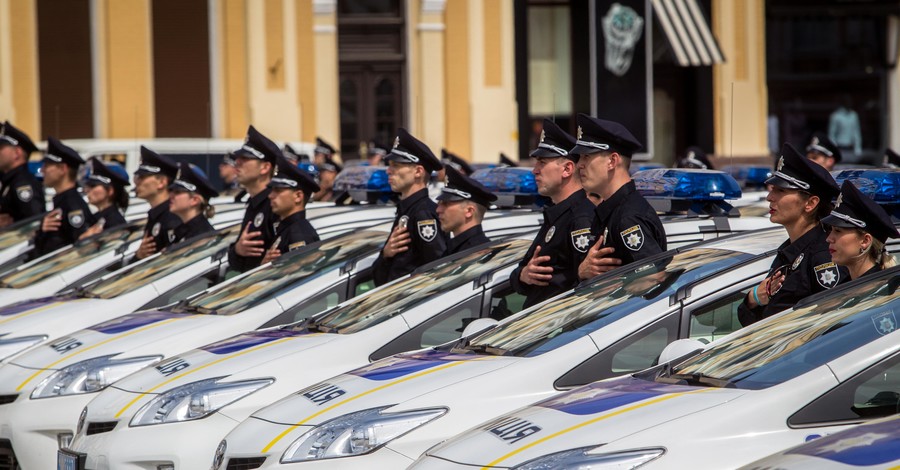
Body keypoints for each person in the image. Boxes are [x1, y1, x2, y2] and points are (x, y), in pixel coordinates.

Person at [737, 143, 843, 327]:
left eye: (781, 190)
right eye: (772, 189)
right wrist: (753, 298)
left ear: (810, 203)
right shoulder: (790, 250)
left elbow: (828, 328)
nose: (770, 197)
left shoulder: (824, 255)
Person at [509, 119, 595, 309]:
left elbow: (587, 291)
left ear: (567, 169)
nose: (534, 170)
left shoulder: (581, 219)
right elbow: (521, 272)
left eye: (542, 162)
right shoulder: (556, 214)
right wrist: (524, 275)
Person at [573, 113, 666, 281]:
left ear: (612, 161)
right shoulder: (611, 210)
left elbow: (654, 278)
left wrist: (618, 290)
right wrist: (583, 272)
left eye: (587, 156)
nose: (579, 164)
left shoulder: (628, 217)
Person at [372, 128, 447, 286]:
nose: (388, 171)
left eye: (396, 165)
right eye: (389, 165)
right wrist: (385, 255)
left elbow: (437, 273)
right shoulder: (406, 209)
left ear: (418, 172)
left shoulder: (423, 215)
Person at [228, 125, 279, 273]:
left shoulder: (274, 204)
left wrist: (264, 268)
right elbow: (236, 267)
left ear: (265, 168)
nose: (237, 163)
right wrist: (237, 250)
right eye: (238, 159)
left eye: (245, 159)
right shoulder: (253, 203)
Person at [32, 138, 95, 258]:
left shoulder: (72, 205)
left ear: (62, 169)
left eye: (47, 166)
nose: (43, 170)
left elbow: (80, 249)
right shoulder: (63, 201)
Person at [824, 180, 898, 281]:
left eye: (838, 231)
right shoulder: (847, 285)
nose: (829, 239)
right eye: (830, 230)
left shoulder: (880, 289)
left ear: (865, 241)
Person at [262, 157, 321, 264]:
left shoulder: (298, 234)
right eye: (272, 190)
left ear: (298, 196)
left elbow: (300, 277)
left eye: (278, 191)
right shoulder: (287, 229)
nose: (270, 196)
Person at [132, 146, 183, 260]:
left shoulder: (172, 217)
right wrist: (139, 256)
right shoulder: (156, 215)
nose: (137, 182)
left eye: (142, 177)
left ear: (161, 182)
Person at [436, 164, 497, 255]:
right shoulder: (456, 248)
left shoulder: (478, 253)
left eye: (446, 203)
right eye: (440, 204)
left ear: (469, 211)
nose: (438, 210)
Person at [0, 121, 44, 228]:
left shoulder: (23, 183)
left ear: (17, 153)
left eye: (1, 148)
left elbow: (34, 224)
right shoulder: (9, 180)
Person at [79, 158, 129, 240]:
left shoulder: (114, 221)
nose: (87, 190)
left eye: (93, 186)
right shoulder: (99, 217)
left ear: (110, 191)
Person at [168, 163, 218, 242]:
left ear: (195, 200)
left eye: (177, 192)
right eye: (171, 191)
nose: (171, 196)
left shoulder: (202, 235)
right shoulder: (182, 230)